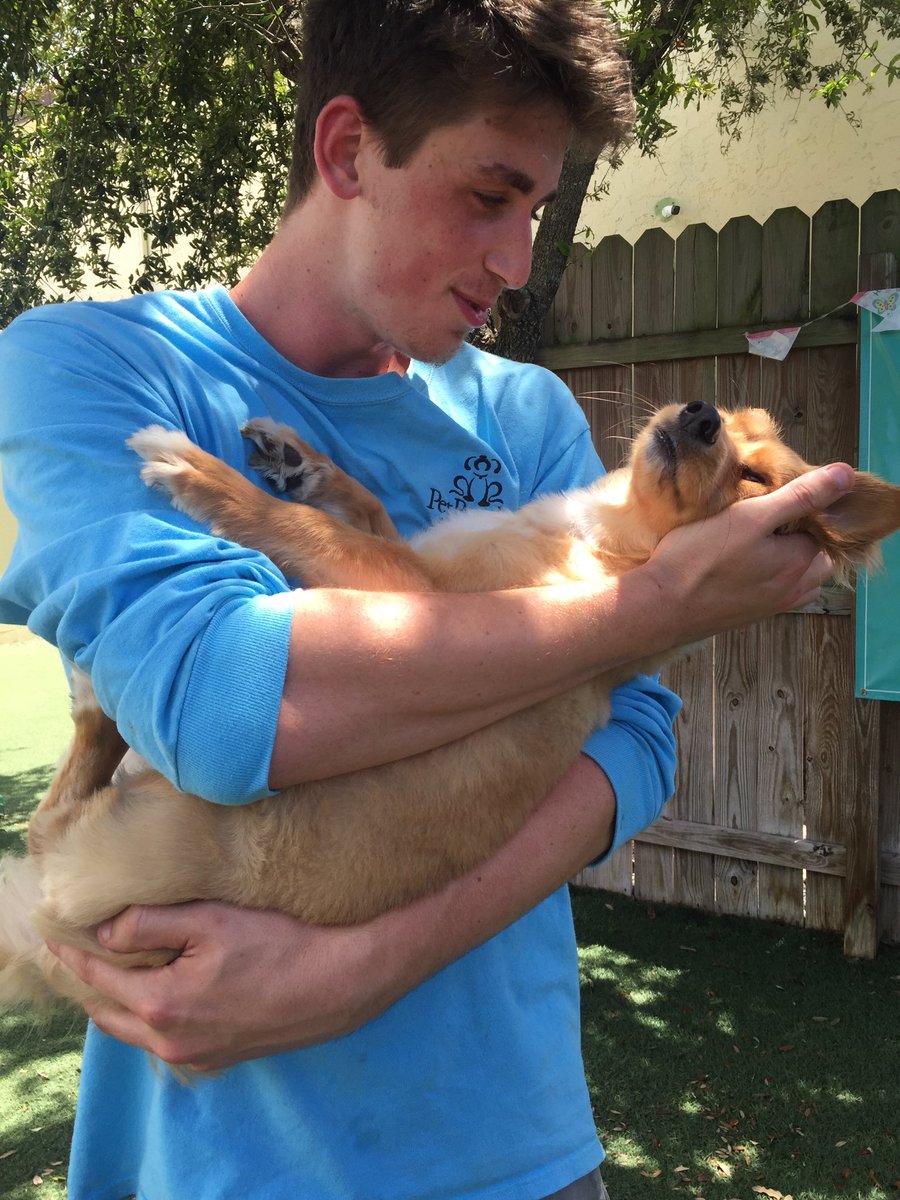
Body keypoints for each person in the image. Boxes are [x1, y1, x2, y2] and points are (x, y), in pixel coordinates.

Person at [0, 2, 852, 1197]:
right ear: (348, 151)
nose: (516, 262)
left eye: (535, 212)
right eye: (489, 196)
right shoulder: (96, 365)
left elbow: (638, 734)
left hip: (519, 1150)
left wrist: (368, 965)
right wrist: (655, 608)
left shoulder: (526, 413)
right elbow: (231, 706)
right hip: (220, 1160)